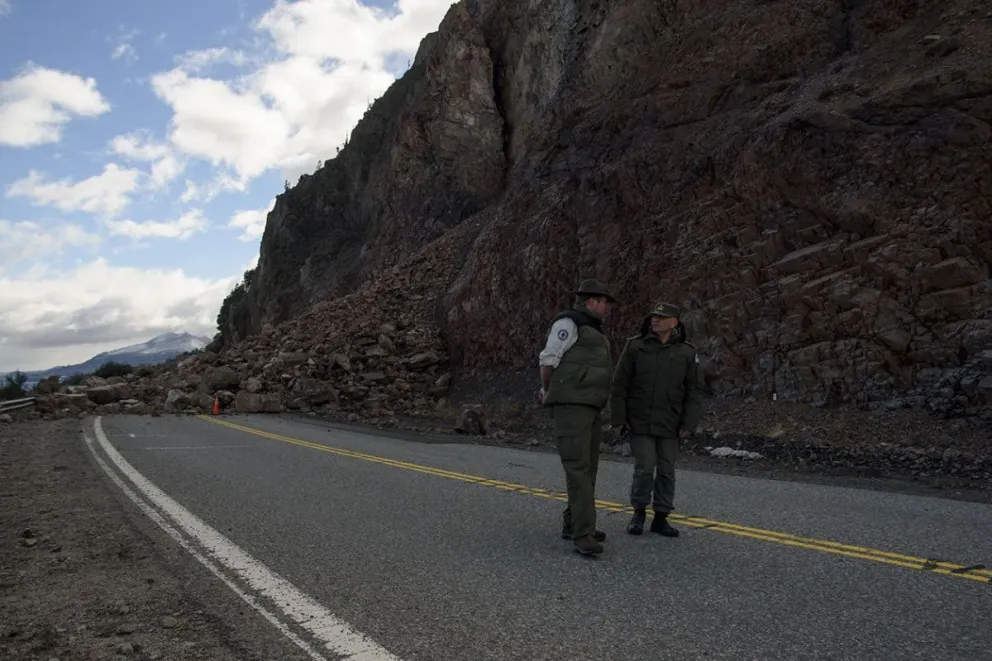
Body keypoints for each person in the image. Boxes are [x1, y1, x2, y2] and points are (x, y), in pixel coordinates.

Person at [609, 302, 703, 537]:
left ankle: (661, 517)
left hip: (670, 422)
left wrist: (688, 424)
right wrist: (619, 419)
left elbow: (694, 391)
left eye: (662, 317)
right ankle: (638, 513)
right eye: (654, 316)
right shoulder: (636, 347)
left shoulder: (686, 352)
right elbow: (619, 385)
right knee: (644, 467)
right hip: (640, 420)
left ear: (674, 322)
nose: (656, 320)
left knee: (667, 470)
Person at [538, 279, 616, 556]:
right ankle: (583, 533)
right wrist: (548, 392)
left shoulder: (592, 329)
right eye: (605, 301)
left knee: (588, 467)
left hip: (590, 406)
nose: (607, 307)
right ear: (592, 300)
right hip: (571, 406)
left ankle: (575, 522)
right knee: (578, 467)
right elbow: (548, 360)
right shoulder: (568, 324)